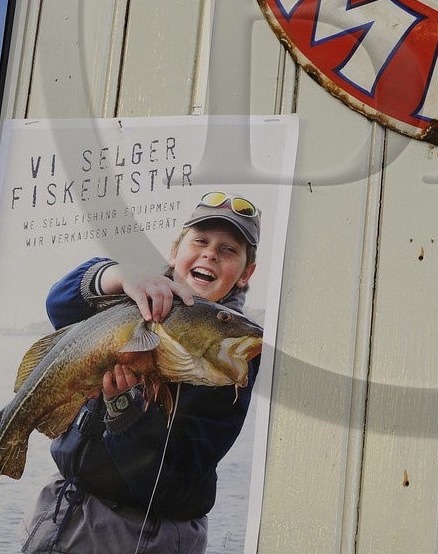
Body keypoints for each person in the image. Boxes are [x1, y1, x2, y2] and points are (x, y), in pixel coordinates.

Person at [20, 192, 264, 554]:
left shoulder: (233, 352)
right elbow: (60, 305)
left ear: (246, 273)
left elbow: (171, 482)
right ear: (174, 252)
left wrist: (126, 412)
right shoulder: (137, 295)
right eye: (200, 241)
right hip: (64, 509)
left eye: (229, 250)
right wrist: (117, 274)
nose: (211, 253)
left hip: (149, 533)